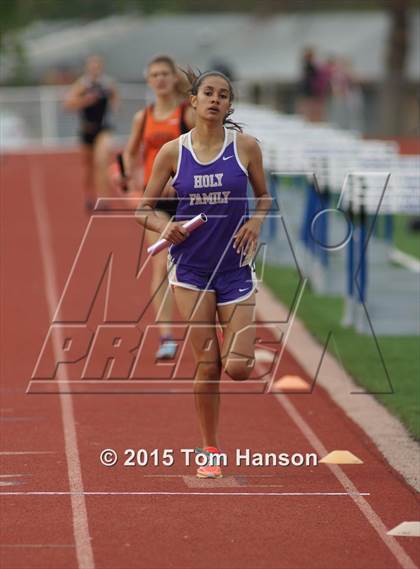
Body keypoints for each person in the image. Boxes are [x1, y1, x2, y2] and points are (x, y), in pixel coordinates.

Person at [135, 70, 272, 478]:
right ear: (192, 101)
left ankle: (236, 335)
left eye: (224, 95)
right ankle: (209, 449)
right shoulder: (173, 153)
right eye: (208, 93)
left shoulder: (245, 147)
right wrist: (166, 227)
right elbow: (143, 209)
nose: (215, 99)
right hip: (191, 269)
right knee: (208, 365)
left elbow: (264, 197)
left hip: (234, 267)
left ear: (230, 105)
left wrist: (255, 223)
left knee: (239, 368)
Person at [121, 55, 194, 360]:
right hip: (157, 202)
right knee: (161, 263)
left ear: (173, 78)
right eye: (155, 74)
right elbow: (129, 151)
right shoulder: (145, 116)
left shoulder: (187, 114)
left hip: (190, 198)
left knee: (197, 264)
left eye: (165, 73)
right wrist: (133, 176)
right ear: (149, 80)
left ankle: (206, 326)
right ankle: (166, 335)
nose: (160, 79)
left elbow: (203, 146)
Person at [64, 55, 118, 212]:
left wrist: (114, 106)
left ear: (101, 67)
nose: (95, 69)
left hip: (104, 129)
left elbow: (115, 98)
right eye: (92, 66)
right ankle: (89, 196)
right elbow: (68, 104)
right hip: (87, 130)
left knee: (101, 162)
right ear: (88, 68)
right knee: (88, 167)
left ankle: (104, 199)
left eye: (97, 66)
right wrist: (85, 101)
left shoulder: (108, 84)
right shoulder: (82, 85)